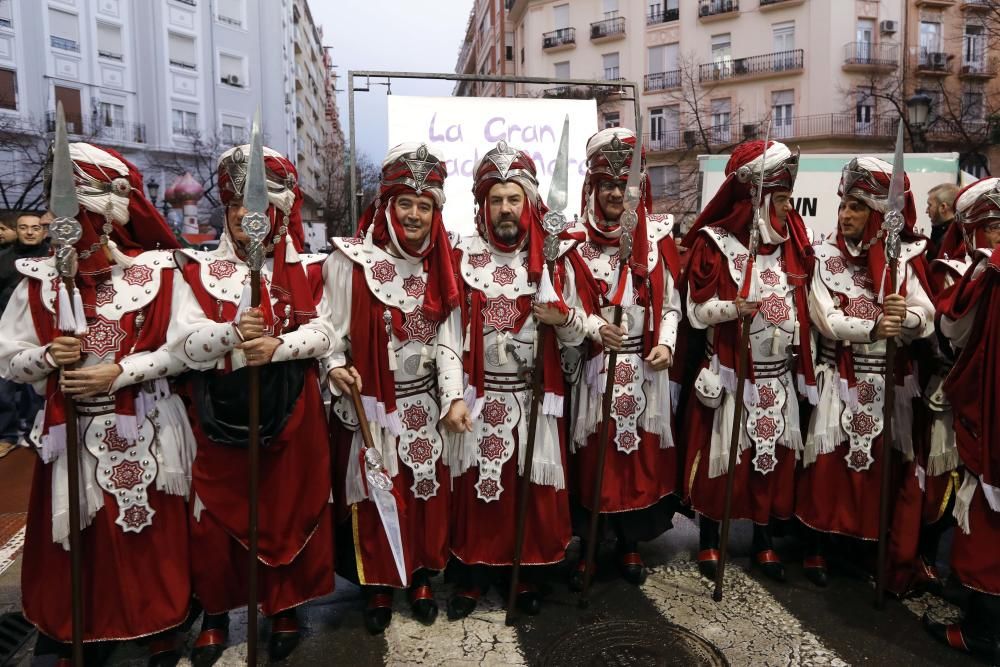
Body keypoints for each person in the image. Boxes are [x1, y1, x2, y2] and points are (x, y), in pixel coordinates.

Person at [0, 142, 193, 665]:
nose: (72, 226)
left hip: (146, 424)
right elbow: (8, 357)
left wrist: (122, 371)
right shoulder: (36, 282)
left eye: (81, 214)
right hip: (70, 434)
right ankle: (76, 626)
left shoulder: (158, 274)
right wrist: (44, 355)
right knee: (79, 536)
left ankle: (159, 623)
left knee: (148, 530)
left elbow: (184, 349)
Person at [169, 145, 334, 664]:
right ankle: (216, 612)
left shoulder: (309, 268)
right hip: (218, 412)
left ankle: (282, 604)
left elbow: (328, 332)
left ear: (281, 210)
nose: (247, 213)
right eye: (236, 202)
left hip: (292, 413)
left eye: (258, 203)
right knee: (214, 520)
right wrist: (230, 334)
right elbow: (181, 345)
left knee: (287, 510)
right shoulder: (191, 269)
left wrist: (279, 346)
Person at [320, 143, 464, 633]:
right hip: (371, 408)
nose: (416, 215)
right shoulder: (350, 262)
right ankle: (378, 584)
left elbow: (449, 340)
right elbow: (327, 333)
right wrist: (335, 366)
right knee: (375, 495)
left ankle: (421, 576)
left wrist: (453, 398)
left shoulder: (441, 267)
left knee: (424, 493)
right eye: (407, 203)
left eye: (425, 206)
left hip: (423, 403)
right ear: (386, 204)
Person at [445, 142, 589, 619]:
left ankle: (525, 573)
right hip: (479, 400)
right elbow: (448, 336)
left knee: (530, 493)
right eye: (496, 199)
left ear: (528, 203)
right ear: (483, 205)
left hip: (532, 400)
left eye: (513, 199)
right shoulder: (462, 258)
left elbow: (579, 334)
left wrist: (562, 318)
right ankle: (474, 574)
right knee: (481, 494)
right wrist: (452, 398)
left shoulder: (553, 260)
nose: (504, 209)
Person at [681, 140, 816, 583]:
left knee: (770, 459)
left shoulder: (792, 245)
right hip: (729, 372)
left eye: (788, 200)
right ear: (755, 200)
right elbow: (695, 313)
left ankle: (763, 540)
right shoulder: (713, 244)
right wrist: (731, 308)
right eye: (779, 200)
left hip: (776, 375)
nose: (787, 209)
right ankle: (708, 537)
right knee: (722, 458)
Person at [797, 156, 935, 587]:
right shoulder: (824, 256)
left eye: (856, 207)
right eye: (843, 205)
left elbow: (927, 315)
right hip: (840, 376)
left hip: (890, 383)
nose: (845, 214)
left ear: (878, 214)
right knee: (829, 467)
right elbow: (824, 317)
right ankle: (818, 545)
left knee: (876, 469)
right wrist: (875, 324)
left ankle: (864, 545)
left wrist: (905, 319)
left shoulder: (906, 259)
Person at [565, 128, 682, 588]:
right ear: (593, 187)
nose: (617, 193)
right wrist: (593, 327)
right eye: (608, 184)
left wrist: (667, 343)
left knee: (636, 463)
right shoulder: (574, 242)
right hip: (596, 370)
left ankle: (631, 544)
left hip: (644, 371)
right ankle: (590, 546)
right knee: (596, 461)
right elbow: (566, 307)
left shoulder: (657, 238)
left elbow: (671, 304)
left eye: (626, 185)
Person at [929, 177, 1000, 663]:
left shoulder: (986, 273)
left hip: (993, 413)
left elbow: (952, 327)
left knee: (988, 518)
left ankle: (983, 631)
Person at [0, 213, 51, 453]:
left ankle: (36, 432)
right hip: (6, 333)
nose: (30, 232)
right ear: (17, 230)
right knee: (3, 387)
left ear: (43, 231)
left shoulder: (54, 259)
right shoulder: (3, 260)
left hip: (43, 333)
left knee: (39, 388)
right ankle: (7, 436)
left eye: (35, 227)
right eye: (24, 228)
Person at [925, 182, 959, 260]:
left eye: (930, 205)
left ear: (943, 207)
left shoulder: (951, 240)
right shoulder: (943, 233)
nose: (926, 211)